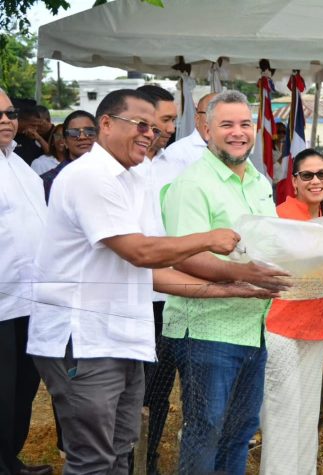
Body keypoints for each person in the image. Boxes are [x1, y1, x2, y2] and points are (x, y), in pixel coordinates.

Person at [27, 89, 280, 475]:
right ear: (106, 124)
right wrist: (210, 240)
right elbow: (140, 253)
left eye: (156, 126)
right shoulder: (90, 176)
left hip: (125, 336)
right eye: (140, 125)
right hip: (82, 338)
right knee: (93, 460)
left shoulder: (137, 176)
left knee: (120, 452)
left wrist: (233, 288)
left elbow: (155, 270)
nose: (150, 134)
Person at [161, 90, 290, 475]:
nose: (238, 133)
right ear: (206, 129)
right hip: (206, 329)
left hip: (254, 327)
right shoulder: (192, 183)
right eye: (227, 125)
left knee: (241, 432)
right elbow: (184, 254)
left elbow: (270, 245)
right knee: (206, 431)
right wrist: (244, 273)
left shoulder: (259, 181)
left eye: (245, 124)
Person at [259, 149, 323, 475]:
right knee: (282, 416)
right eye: (308, 175)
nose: (316, 181)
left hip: (314, 329)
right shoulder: (281, 216)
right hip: (281, 328)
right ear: (294, 181)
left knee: (306, 416)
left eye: (322, 174)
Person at [0, 89, 52, 475]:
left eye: (10, 113)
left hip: (31, 301)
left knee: (22, 389)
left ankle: (9, 459)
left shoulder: (19, 164)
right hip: (1, 303)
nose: (6, 120)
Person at [131, 84, 180, 475]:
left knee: (159, 387)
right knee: (128, 389)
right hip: (127, 297)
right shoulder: (120, 169)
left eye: (171, 122)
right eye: (164, 120)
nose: (167, 129)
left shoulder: (176, 166)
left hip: (168, 297)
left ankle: (148, 456)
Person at [40, 110, 97, 202]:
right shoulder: (50, 181)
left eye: (89, 131)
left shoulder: (115, 172)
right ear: (65, 142)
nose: (82, 137)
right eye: (74, 133)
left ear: (98, 137)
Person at [162, 92, 217, 167]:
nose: (219, 121)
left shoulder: (233, 148)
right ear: (197, 119)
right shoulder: (177, 152)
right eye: (212, 115)